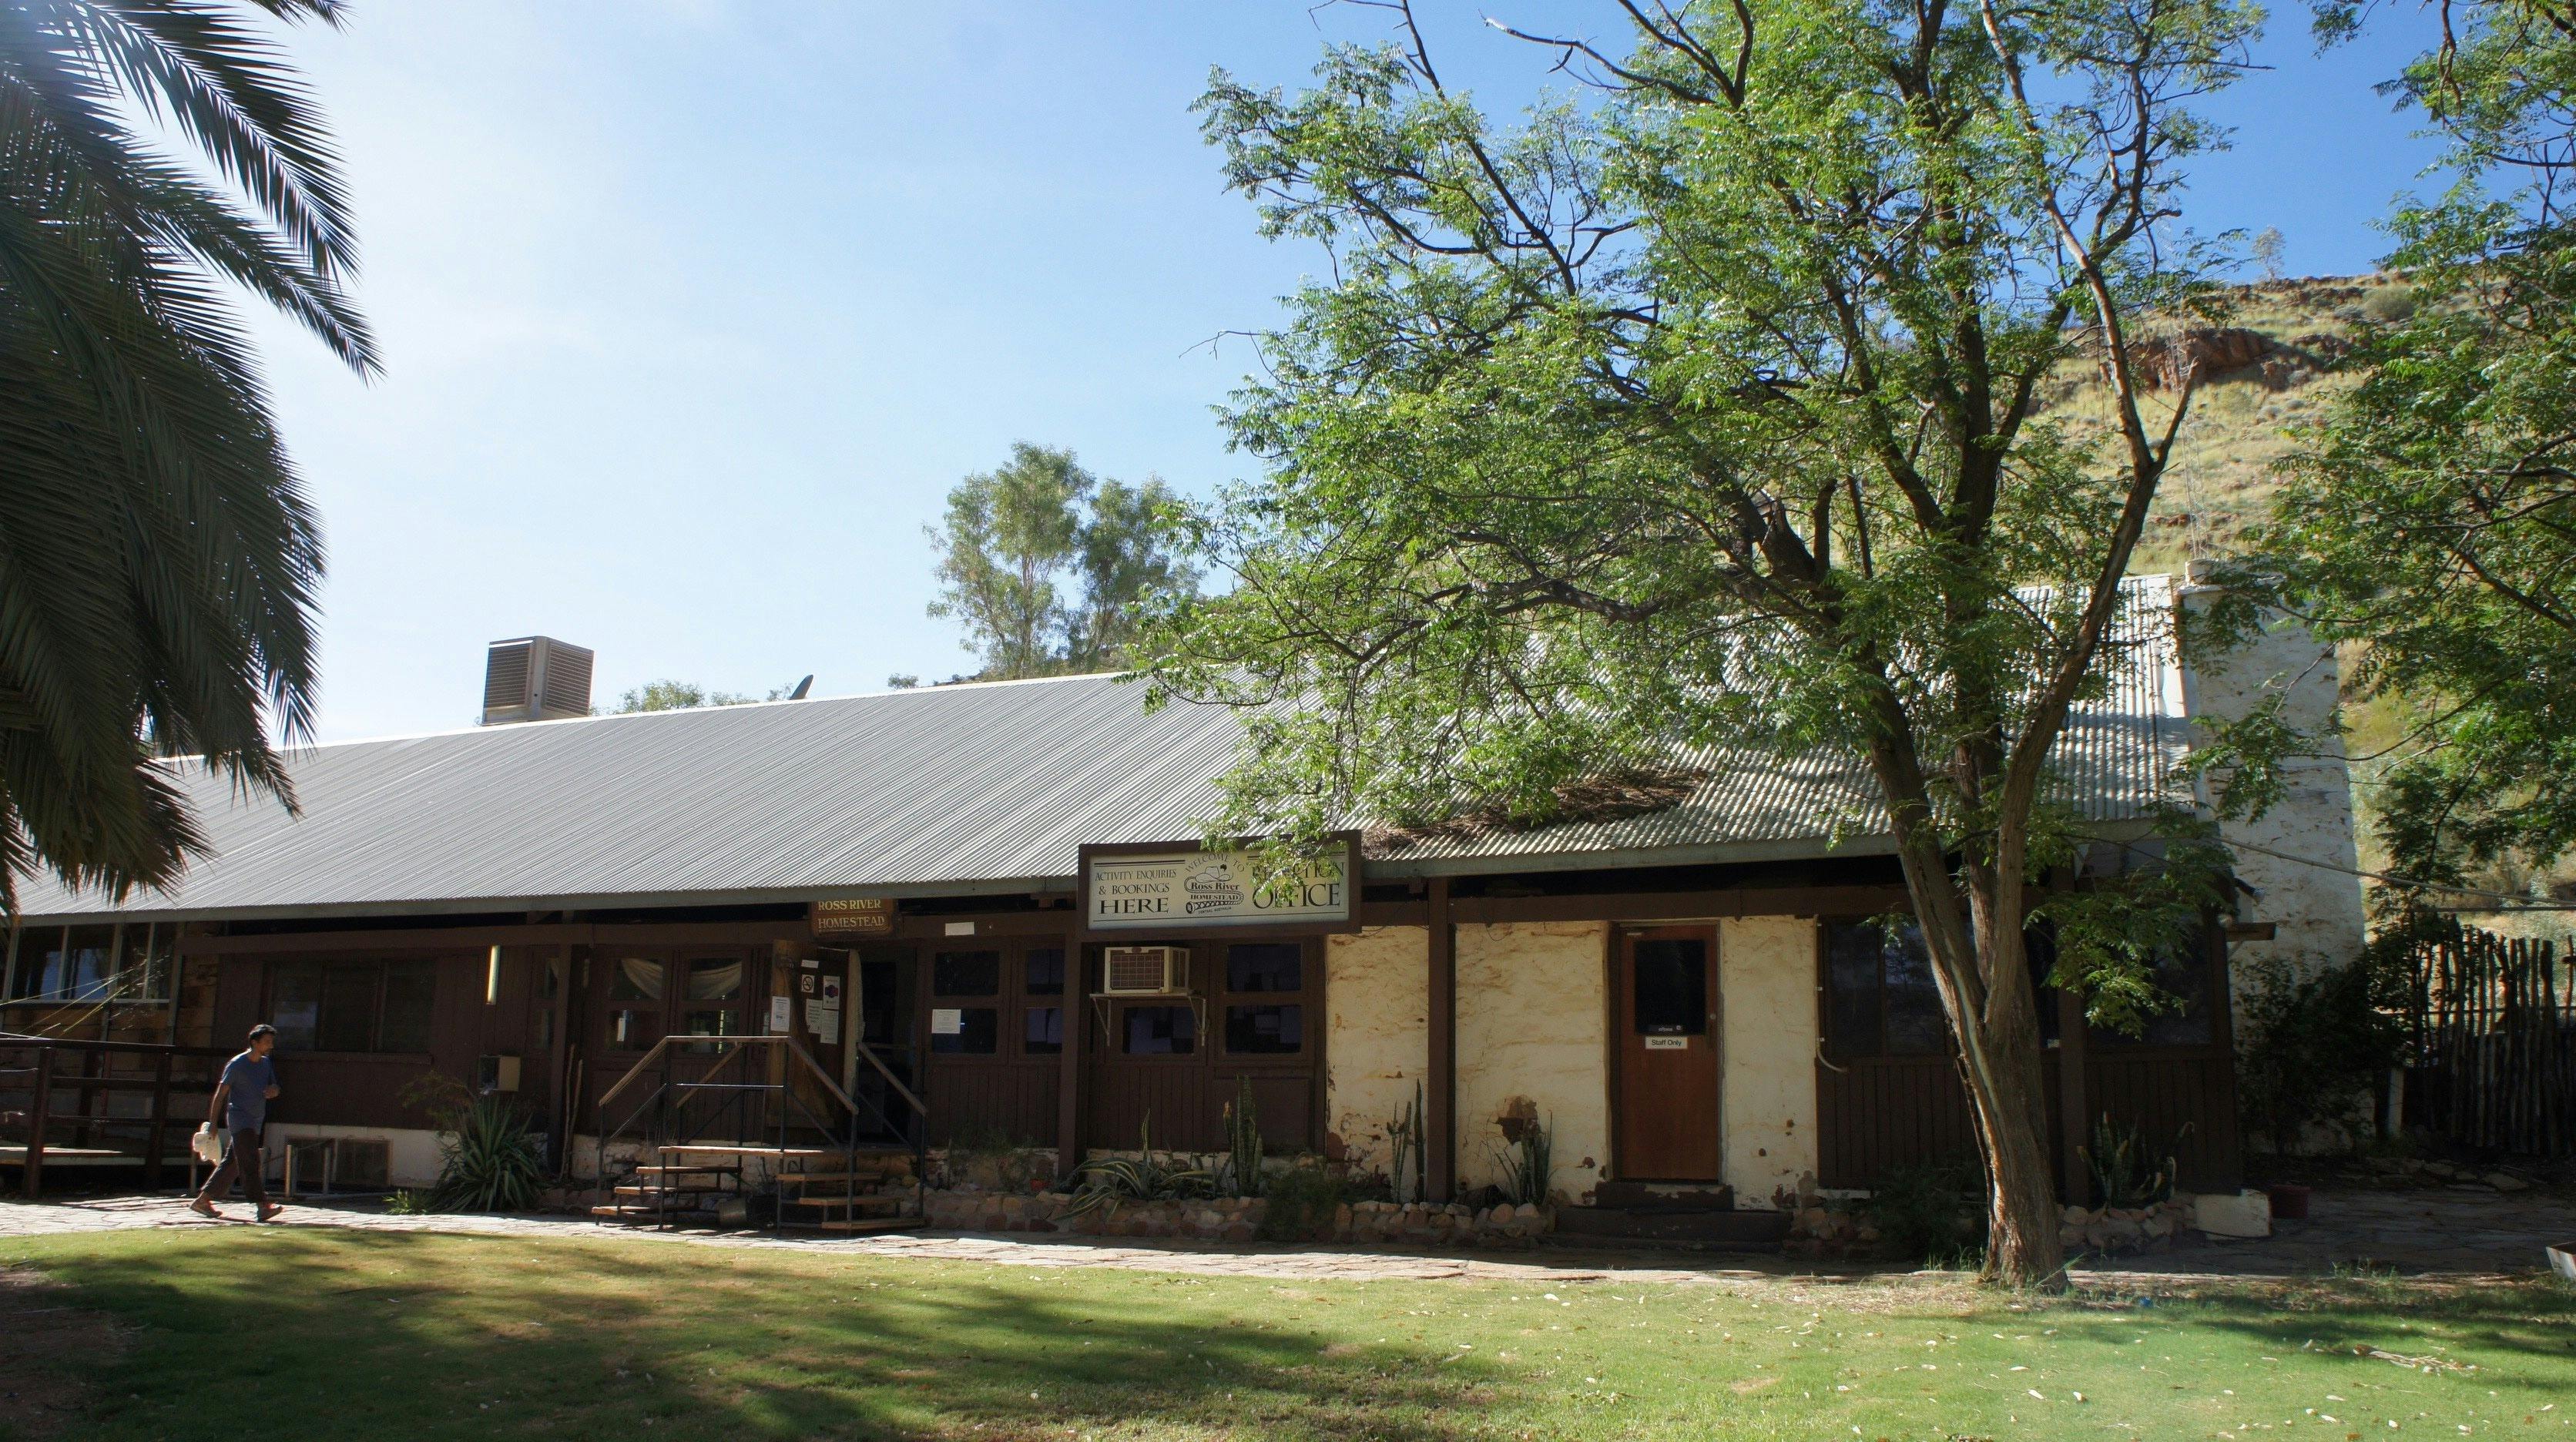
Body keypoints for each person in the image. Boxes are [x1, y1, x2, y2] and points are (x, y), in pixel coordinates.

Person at [192, 1023, 283, 1222]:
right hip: (240, 1119)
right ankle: (262, 1205)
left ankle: (203, 1200)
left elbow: (274, 1086)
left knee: (233, 1162)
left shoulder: (266, 1063)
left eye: (271, 1042)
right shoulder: (237, 1064)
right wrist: (213, 1122)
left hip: (256, 1118)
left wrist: (273, 1091)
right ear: (254, 1042)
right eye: (267, 1042)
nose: (270, 1045)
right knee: (251, 1160)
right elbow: (221, 1094)